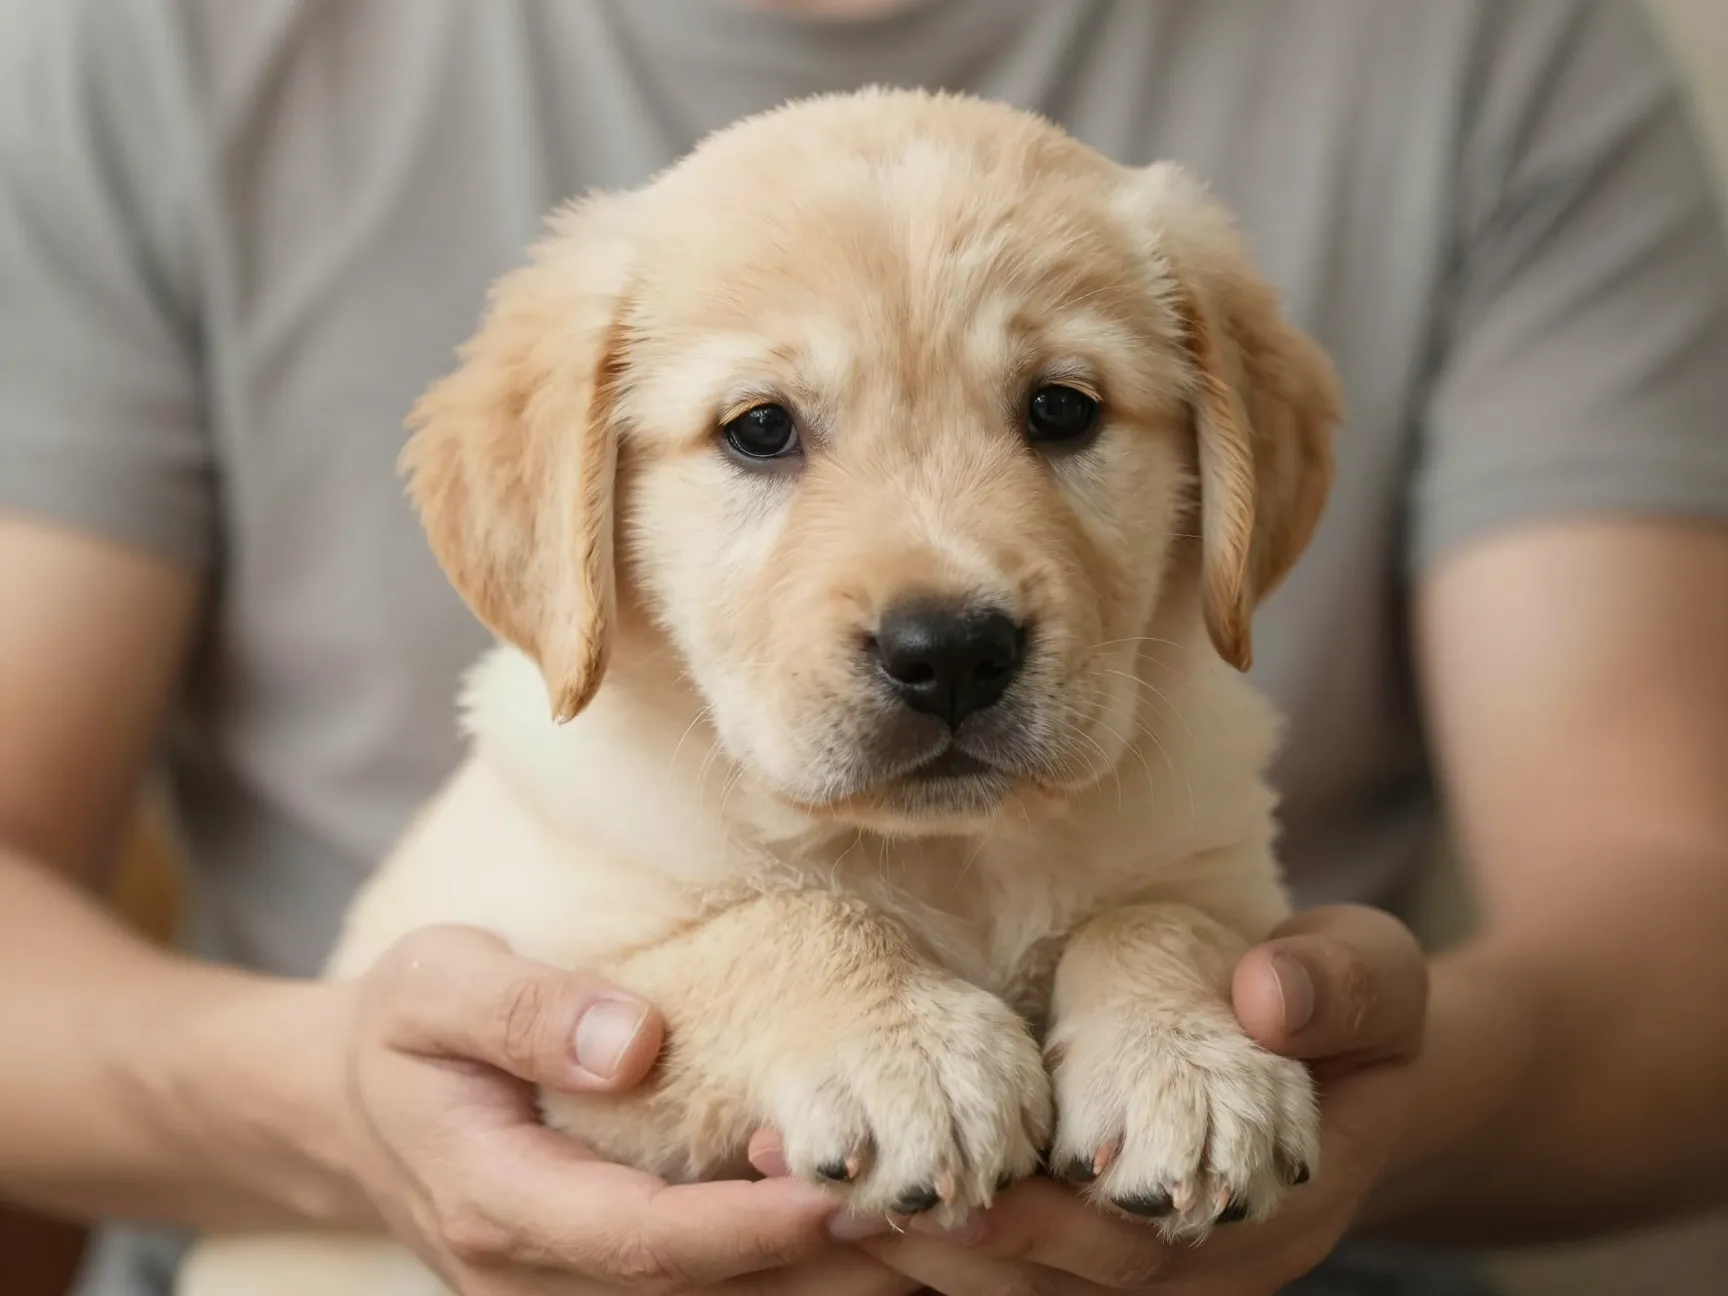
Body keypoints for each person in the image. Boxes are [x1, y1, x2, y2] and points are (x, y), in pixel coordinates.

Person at [2, 0, 1727, 1293]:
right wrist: (346, 1108)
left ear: (1228, 462)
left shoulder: (1500, 47)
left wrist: (1257, 1044)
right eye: (760, 432)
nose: (947, 601)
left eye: (1061, 410)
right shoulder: (151, 43)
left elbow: (1673, 903)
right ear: (564, 517)